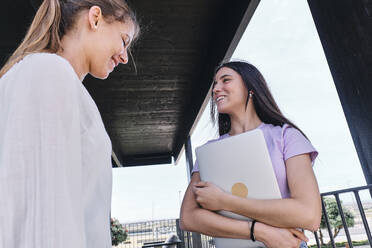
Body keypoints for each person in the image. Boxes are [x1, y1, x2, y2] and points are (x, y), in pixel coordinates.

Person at [0, 0, 139, 247]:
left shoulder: (34, 74)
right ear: (95, 18)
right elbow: (47, 222)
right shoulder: (50, 72)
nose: (125, 57)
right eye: (124, 40)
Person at [180, 61, 322, 248]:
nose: (216, 89)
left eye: (225, 80)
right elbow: (188, 217)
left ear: (251, 88)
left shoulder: (285, 136)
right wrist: (259, 231)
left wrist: (225, 201)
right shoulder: (208, 152)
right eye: (215, 84)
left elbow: (309, 215)